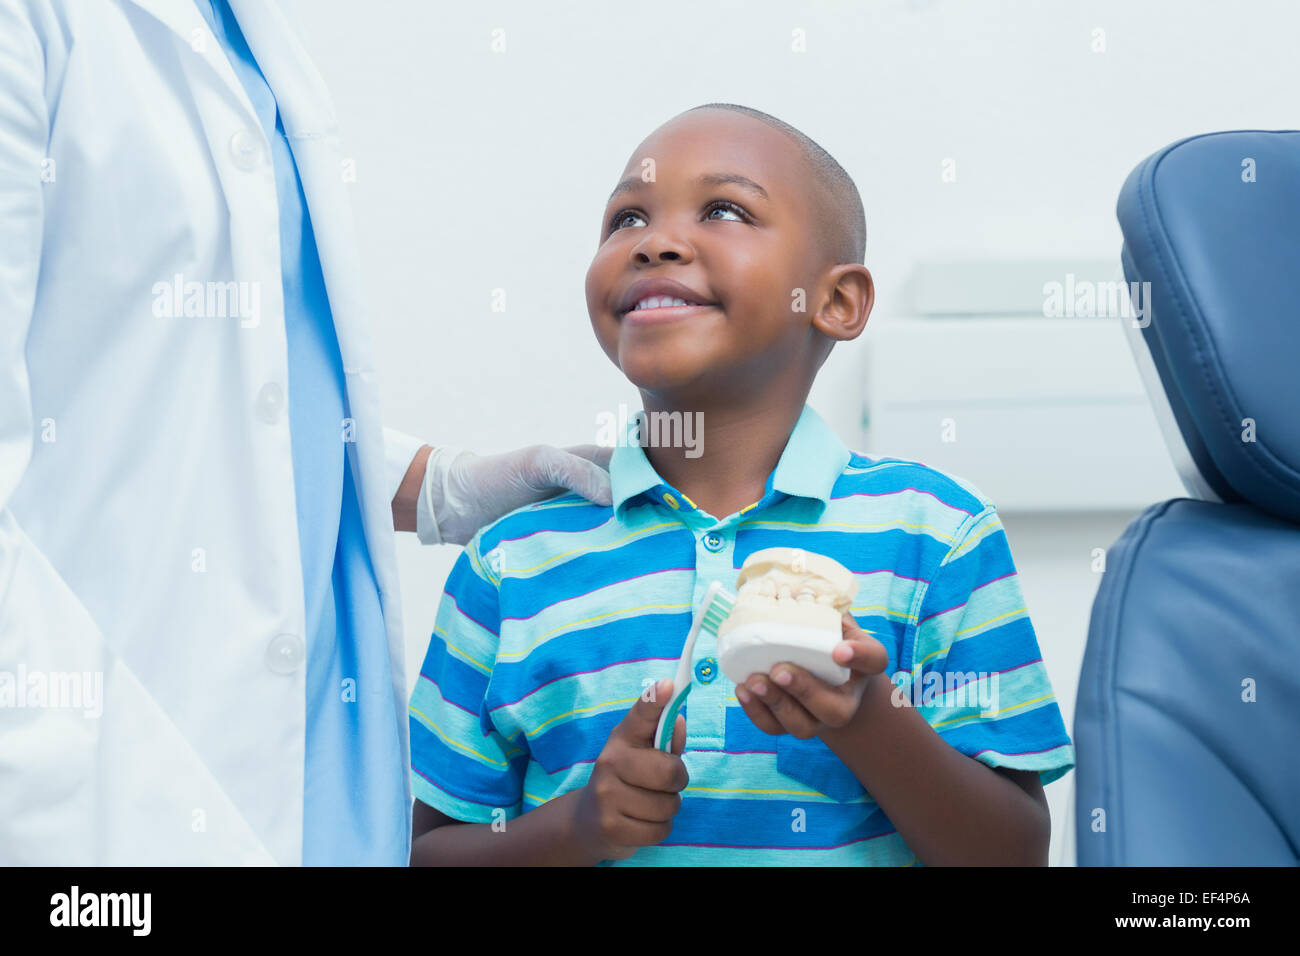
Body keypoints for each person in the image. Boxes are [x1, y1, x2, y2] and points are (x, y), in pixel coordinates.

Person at [0, 0, 608, 865]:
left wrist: (440, 483)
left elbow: (238, 391)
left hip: (319, 787)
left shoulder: (244, 29)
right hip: (107, 783)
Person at [407, 103, 1075, 865]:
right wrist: (578, 826)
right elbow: (429, 855)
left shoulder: (938, 535)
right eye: (626, 218)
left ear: (838, 300)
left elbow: (1014, 854)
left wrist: (866, 721)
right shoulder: (511, 561)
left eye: (724, 209)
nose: (655, 242)